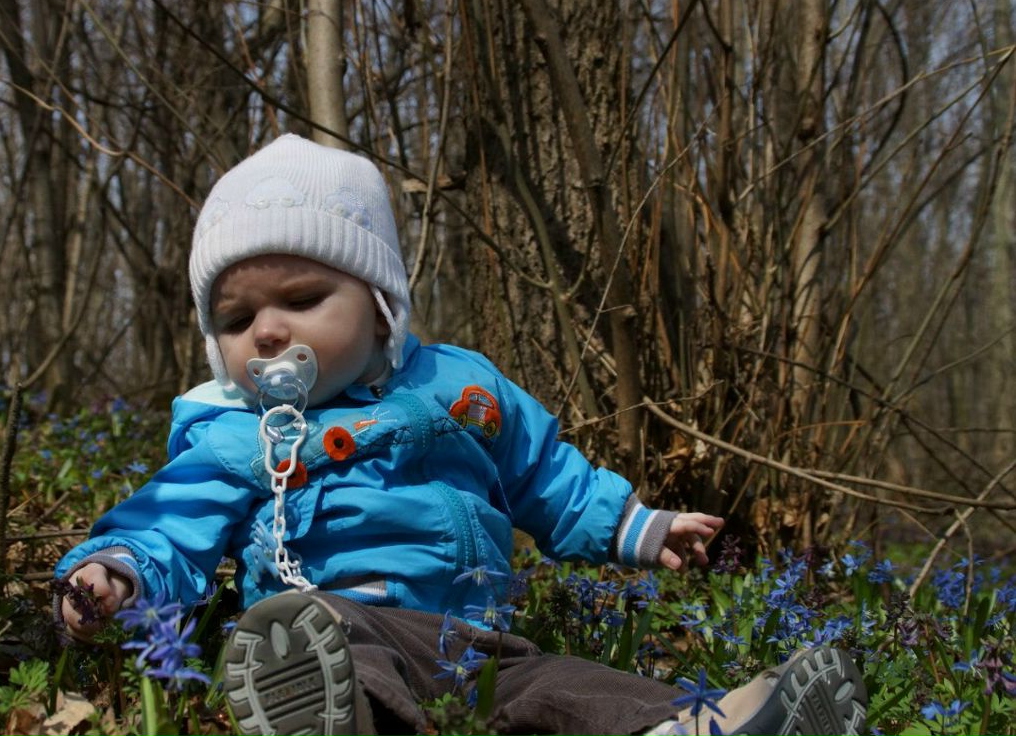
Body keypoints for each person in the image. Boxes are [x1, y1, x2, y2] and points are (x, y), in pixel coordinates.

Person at [54, 134, 868, 736]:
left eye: (300, 300)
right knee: (336, 645)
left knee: (560, 685)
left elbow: (542, 473)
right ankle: (327, 717)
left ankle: (695, 726)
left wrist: (635, 527)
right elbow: (171, 521)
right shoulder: (236, 433)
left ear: (380, 306)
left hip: (480, 639)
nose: (265, 332)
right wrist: (116, 572)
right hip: (337, 623)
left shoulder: (462, 385)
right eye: (235, 319)